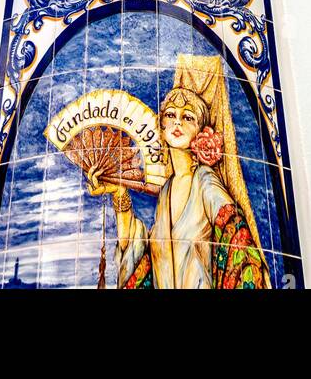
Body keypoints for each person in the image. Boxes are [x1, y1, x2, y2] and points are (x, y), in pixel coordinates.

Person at [89, 65, 269, 289]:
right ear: (161, 126)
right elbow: (139, 259)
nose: (177, 122)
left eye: (188, 117)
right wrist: (119, 193)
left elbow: (237, 240)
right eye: (171, 115)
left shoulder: (204, 181)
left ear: (202, 130)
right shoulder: (166, 192)